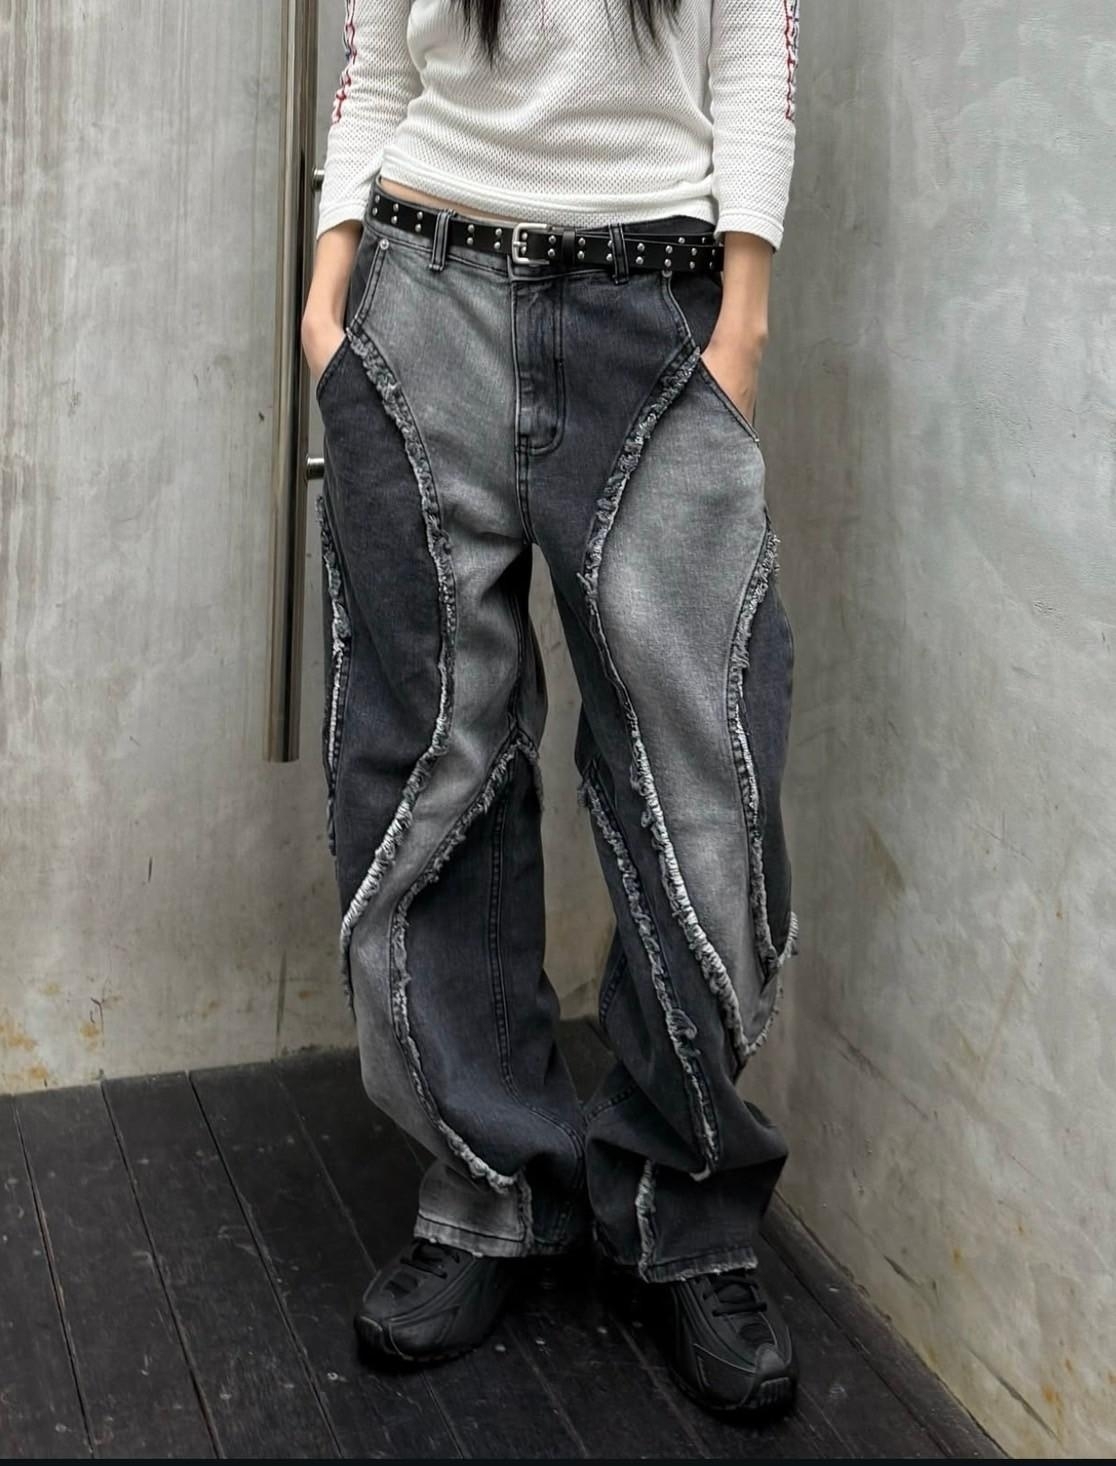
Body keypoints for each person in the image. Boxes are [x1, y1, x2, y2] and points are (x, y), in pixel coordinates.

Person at [301, 0, 801, 1420]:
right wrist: (329, 302)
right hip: (419, 300)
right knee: (427, 767)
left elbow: (755, 58)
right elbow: (376, 60)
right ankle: (486, 1191)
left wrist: (742, 326)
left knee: (706, 783)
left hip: (656, 312)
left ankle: (686, 1208)